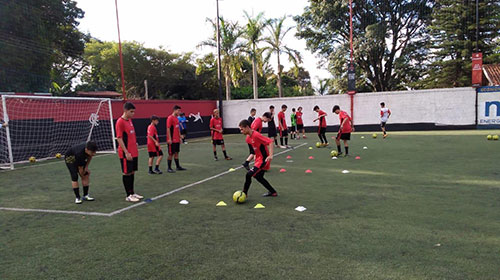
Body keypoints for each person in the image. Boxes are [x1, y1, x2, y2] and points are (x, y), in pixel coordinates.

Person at [239, 119, 278, 197]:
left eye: (242, 129)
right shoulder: (248, 139)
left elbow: (270, 142)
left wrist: (270, 155)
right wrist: (250, 160)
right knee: (258, 177)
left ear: (247, 127)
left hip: (264, 159)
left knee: (249, 174)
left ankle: (244, 193)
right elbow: (253, 151)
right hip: (258, 160)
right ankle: (273, 192)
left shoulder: (256, 135)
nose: (241, 131)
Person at [116, 102, 143, 202]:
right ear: (125, 111)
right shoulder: (120, 122)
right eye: (131, 112)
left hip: (134, 151)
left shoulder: (130, 121)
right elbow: (119, 138)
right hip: (126, 153)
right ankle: (128, 195)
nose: (133, 114)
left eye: (133, 112)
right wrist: (126, 152)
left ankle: (132, 192)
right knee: (126, 173)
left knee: (132, 172)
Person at [167, 105, 187, 173]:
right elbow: (168, 128)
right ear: (174, 110)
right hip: (172, 139)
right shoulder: (170, 118)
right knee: (171, 153)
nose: (179, 112)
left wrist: (180, 137)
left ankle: (178, 166)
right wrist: (169, 138)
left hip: (177, 139)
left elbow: (177, 128)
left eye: (180, 110)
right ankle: (169, 168)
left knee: (177, 152)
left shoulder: (176, 118)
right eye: (178, 110)